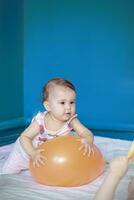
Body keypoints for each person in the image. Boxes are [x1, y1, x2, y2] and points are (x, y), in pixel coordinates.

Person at [1, 77, 94, 174]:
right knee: (8, 173)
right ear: (48, 106)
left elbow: (86, 132)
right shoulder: (40, 121)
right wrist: (32, 153)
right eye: (62, 103)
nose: (68, 107)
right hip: (25, 153)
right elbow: (24, 137)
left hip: (45, 158)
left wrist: (88, 140)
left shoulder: (71, 121)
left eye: (72, 102)